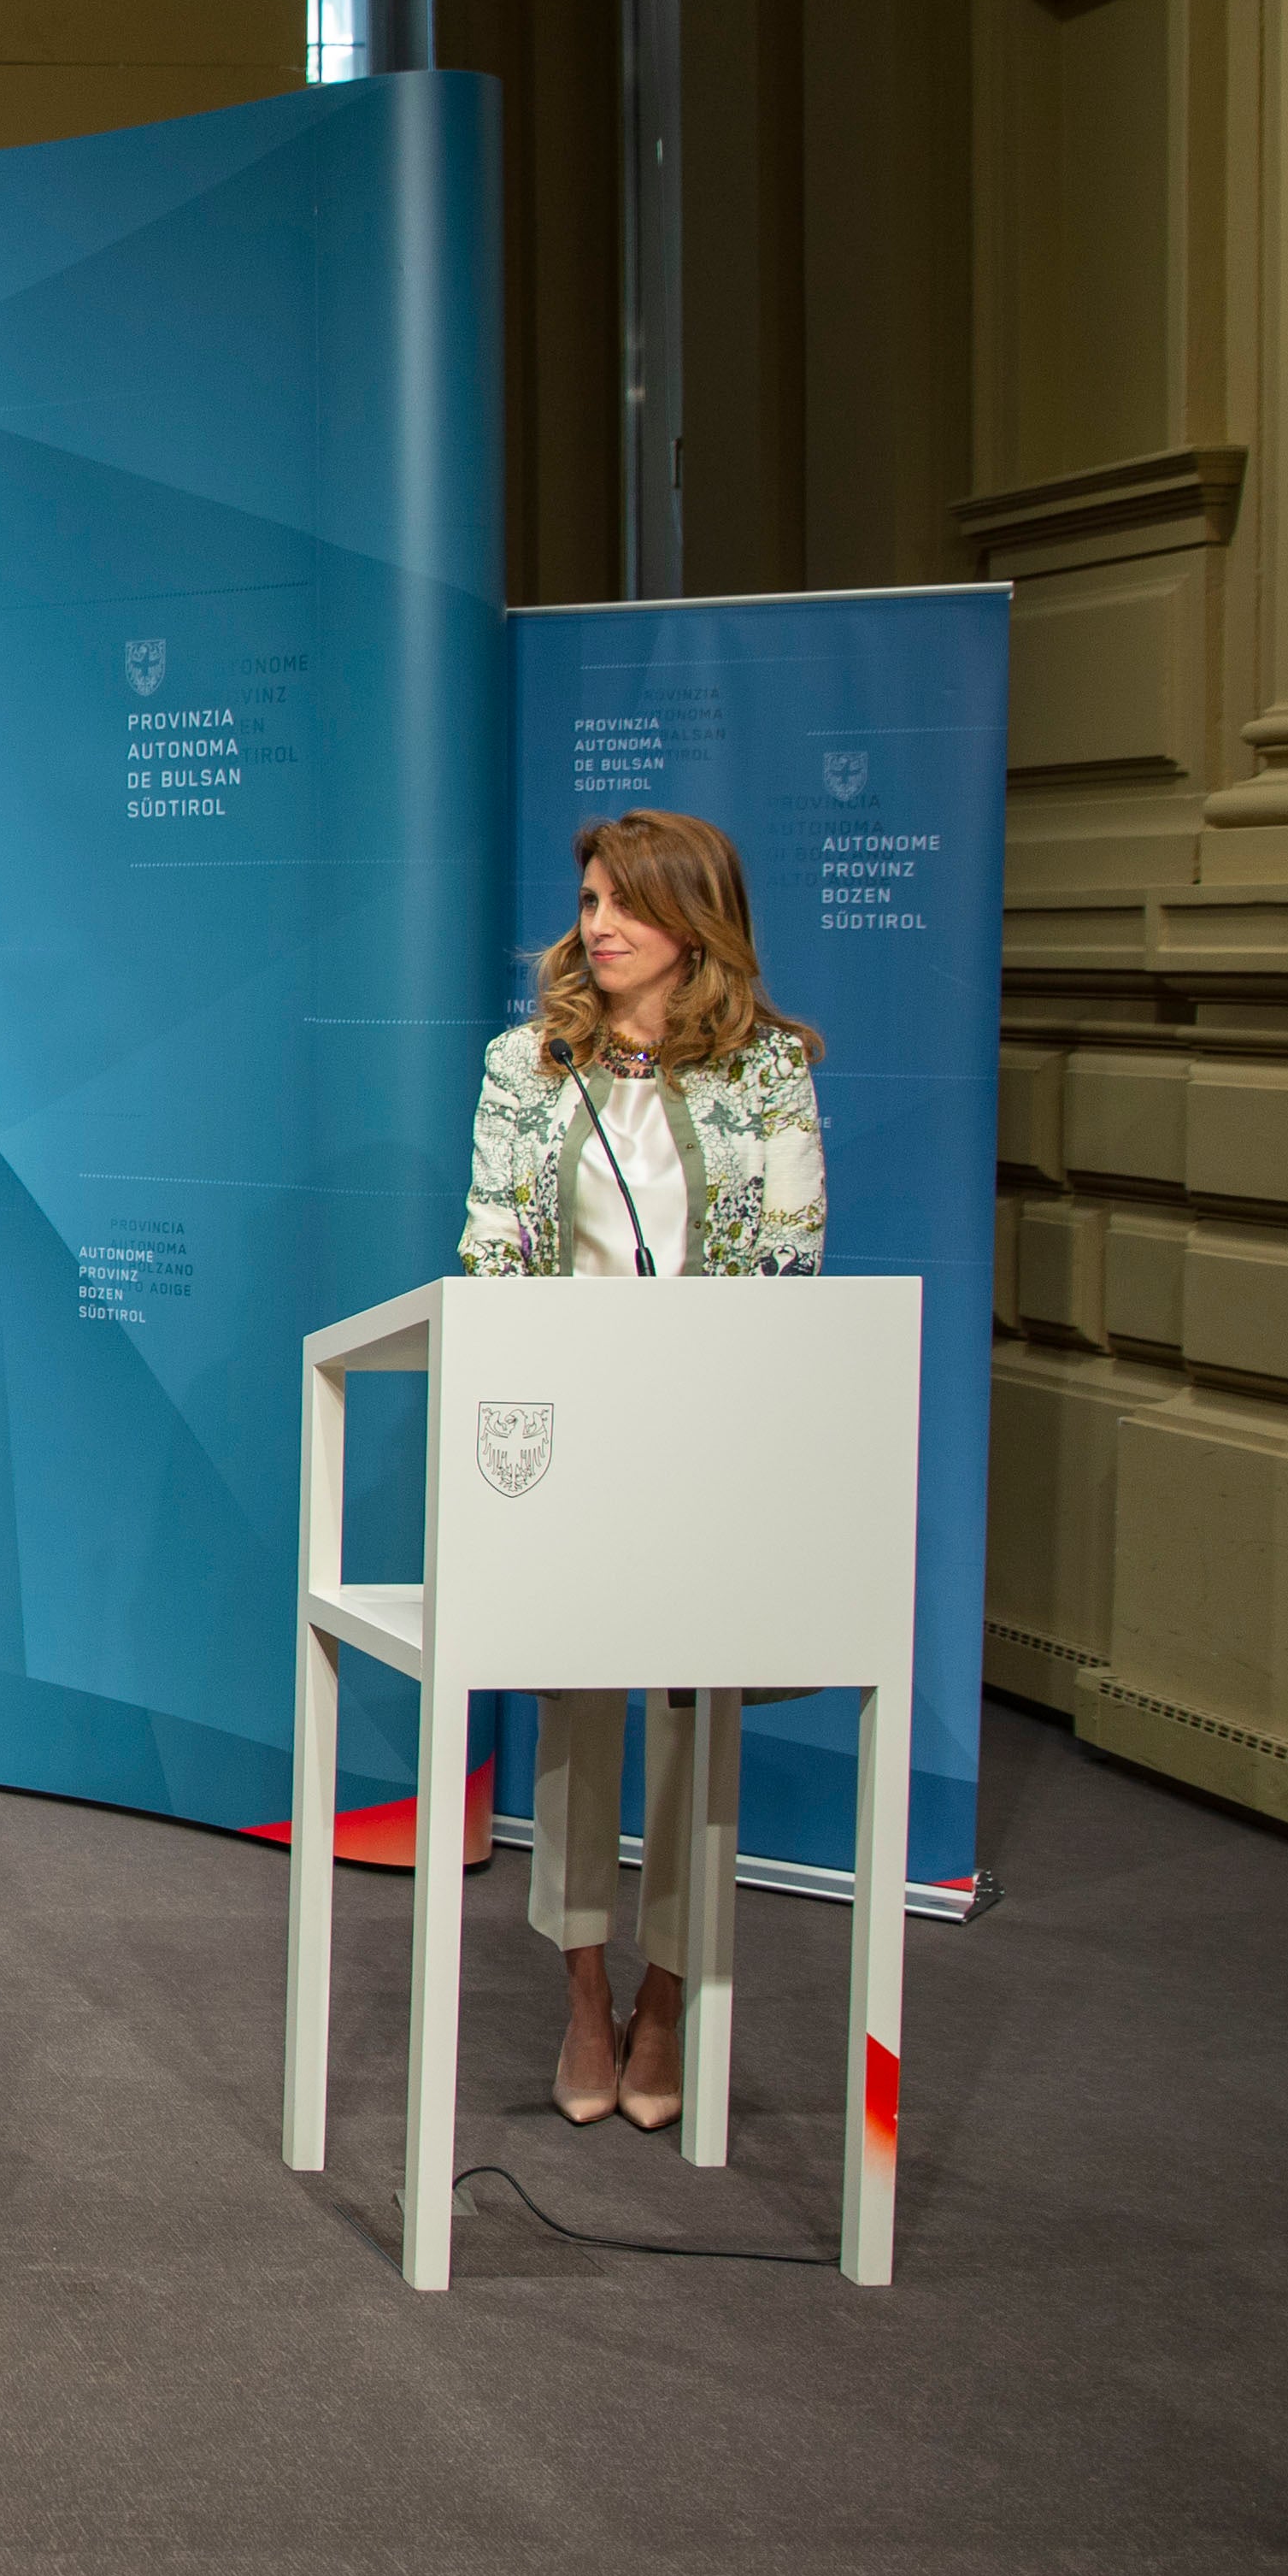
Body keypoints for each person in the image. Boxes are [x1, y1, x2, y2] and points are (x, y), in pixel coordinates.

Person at [457, 806, 826, 2132]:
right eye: (589, 900)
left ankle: (663, 1999)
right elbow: (490, 1248)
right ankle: (579, 1992)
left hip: (711, 1436)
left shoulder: (767, 1069)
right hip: (572, 1433)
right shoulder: (528, 1062)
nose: (597, 924)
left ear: (694, 920)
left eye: (625, 902)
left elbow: (788, 1253)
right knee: (575, 1715)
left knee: (692, 1723)